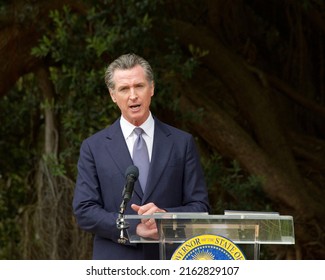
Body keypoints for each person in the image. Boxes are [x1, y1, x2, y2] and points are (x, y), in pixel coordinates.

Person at [72, 53, 210, 260]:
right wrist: (134, 226)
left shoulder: (182, 143)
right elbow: (84, 210)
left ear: (152, 88)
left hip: (170, 261)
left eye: (139, 86)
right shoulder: (94, 147)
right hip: (116, 265)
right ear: (112, 95)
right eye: (124, 89)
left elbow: (200, 207)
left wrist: (166, 218)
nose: (133, 95)